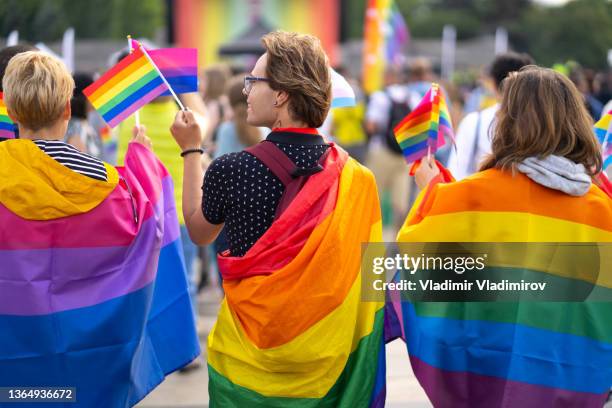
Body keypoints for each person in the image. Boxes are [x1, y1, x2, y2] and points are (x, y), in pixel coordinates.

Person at [170, 31, 385, 407]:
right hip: (326, 361)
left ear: (282, 94)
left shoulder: (232, 169)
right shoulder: (358, 179)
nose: (247, 90)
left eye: (254, 81)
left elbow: (198, 230)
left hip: (247, 362)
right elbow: (367, 280)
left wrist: (191, 149)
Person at [394, 66, 612, 407]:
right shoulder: (604, 209)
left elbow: (417, 262)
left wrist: (430, 192)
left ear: (509, 123)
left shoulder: (471, 196)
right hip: (573, 380)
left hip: (487, 374)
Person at [0, 51, 198, 406]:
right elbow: (149, 225)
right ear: (66, 110)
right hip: (86, 366)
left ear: (10, 112)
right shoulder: (109, 184)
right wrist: (143, 160)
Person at [447, 52, 534, 180]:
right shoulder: (541, 124)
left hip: (479, 195)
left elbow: (456, 171)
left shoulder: (474, 121)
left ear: (492, 82)